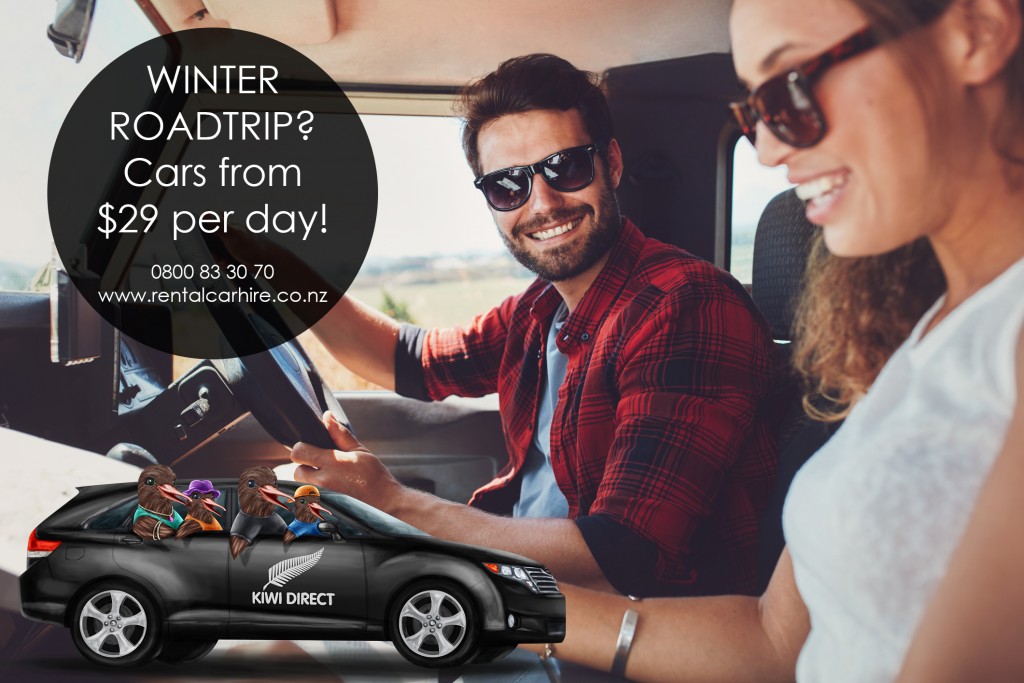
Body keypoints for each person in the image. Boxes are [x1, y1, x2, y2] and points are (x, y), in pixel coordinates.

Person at [525, 0, 1024, 680]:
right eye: (757, 108)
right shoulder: (927, 336)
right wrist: (483, 600)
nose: (766, 148)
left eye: (793, 84)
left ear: (979, 32)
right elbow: (773, 639)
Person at [290, 54, 781, 598]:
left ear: (612, 164)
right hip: (527, 592)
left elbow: (625, 554)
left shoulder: (684, 304)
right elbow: (411, 359)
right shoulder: (540, 309)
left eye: (566, 167)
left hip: (615, 623)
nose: (543, 204)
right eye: (507, 185)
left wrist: (394, 503)